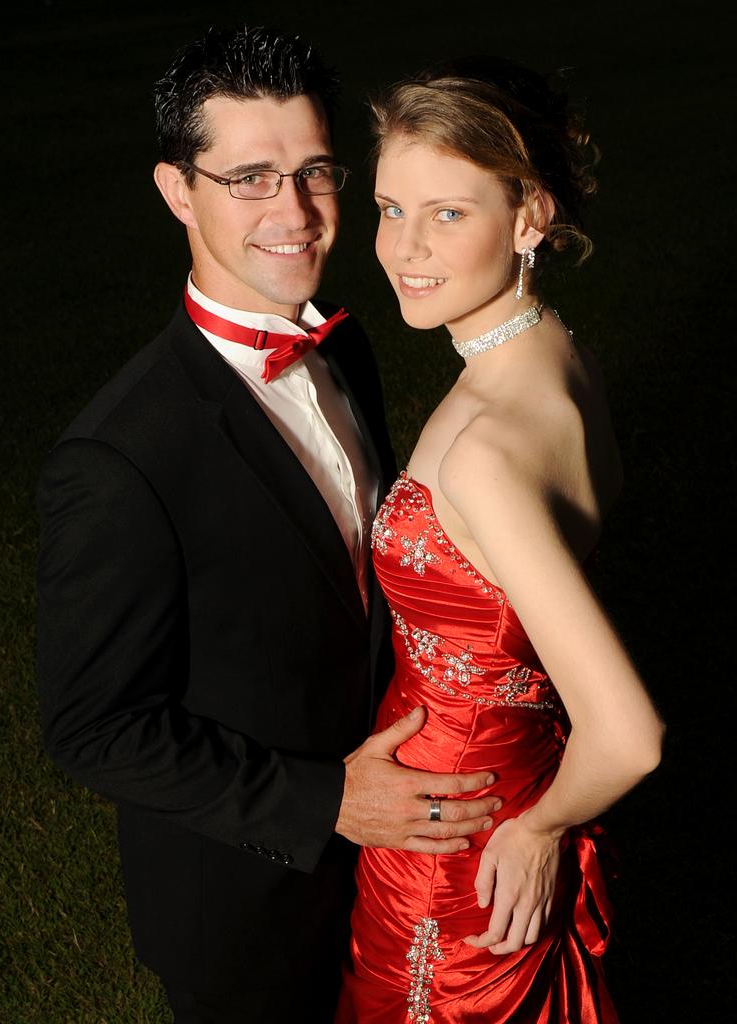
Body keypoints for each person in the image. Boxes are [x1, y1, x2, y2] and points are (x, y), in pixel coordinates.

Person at [35, 28, 502, 1024]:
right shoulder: (120, 462)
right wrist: (326, 801)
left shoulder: (347, 345)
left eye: (313, 170)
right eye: (249, 176)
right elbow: (93, 726)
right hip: (244, 900)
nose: (294, 213)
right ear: (176, 191)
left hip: (392, 866)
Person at [336, 58, 665, 1023]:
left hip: (457, 847)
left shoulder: (486, 451)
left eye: (448, 213)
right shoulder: (558, 356)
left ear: (530, 219)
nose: (404, 249)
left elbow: (631, 736)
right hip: (498, 761)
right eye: (392, 208)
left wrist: (542, 828)